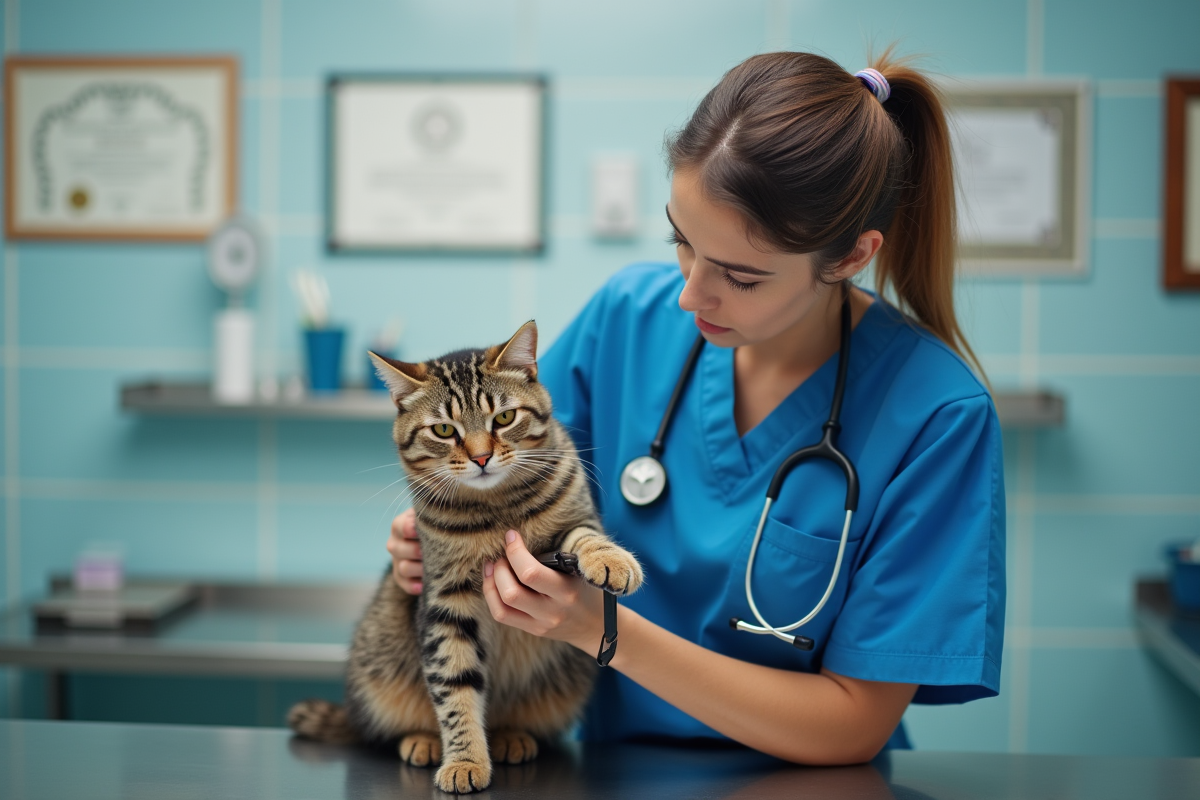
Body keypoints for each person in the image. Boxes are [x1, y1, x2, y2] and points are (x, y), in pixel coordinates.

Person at [388, 51, 1005, 765]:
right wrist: (429, 537)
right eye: (682, 241)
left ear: (849, 257)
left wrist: (603, 627)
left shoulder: (937, 415)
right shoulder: (627, 316)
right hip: (602, 773)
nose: (690, 295)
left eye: (740, 277)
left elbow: (853, 724)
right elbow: (502, 475)